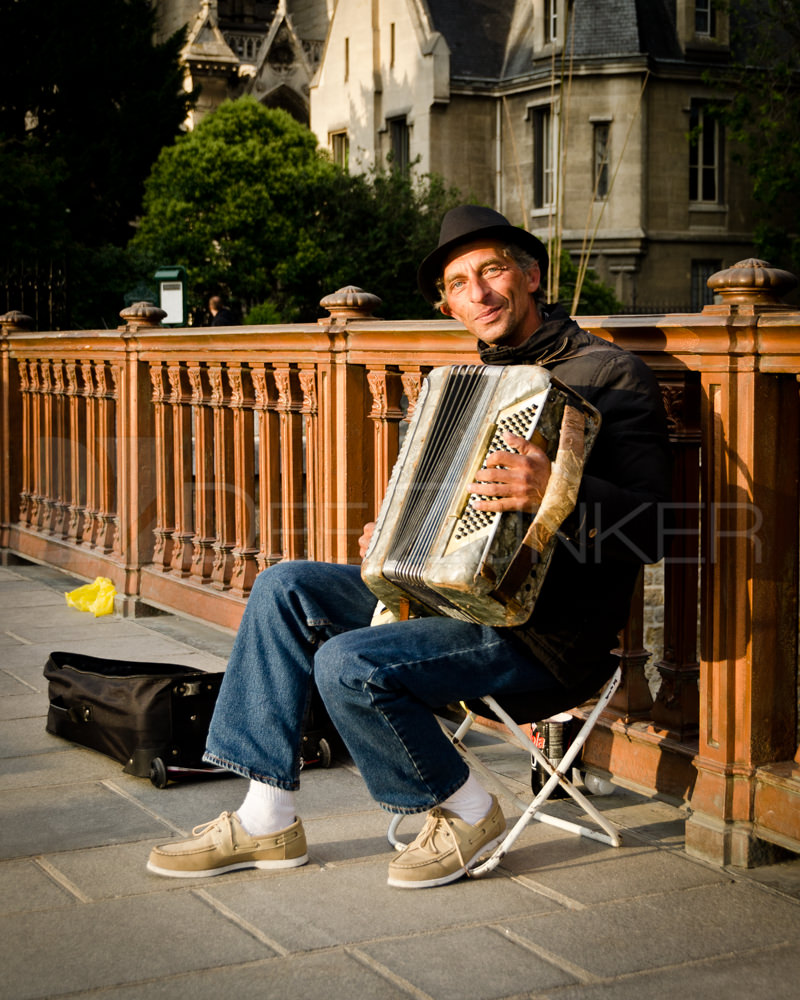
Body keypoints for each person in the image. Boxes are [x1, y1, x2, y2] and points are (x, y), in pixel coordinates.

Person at [147, 205, 671, 888]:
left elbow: (655, 531)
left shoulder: (612, 376)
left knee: (347, 662)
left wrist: (559, 494)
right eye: (458, 283)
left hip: (541, 639)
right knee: (284, 587)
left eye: (492, 271)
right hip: (445, 605)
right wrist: (392, 539)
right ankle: (266, 816)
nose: (478, 294)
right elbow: (432, 509)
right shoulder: (459, 387)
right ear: (449, 305)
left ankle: (467, 811)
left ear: (531, 275)